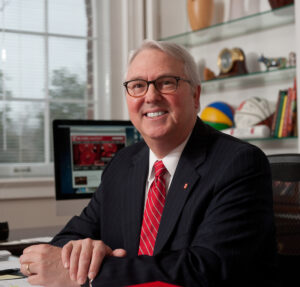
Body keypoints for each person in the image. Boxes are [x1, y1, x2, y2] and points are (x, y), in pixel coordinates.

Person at [19, 40, 277, 287]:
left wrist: (92, 275)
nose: (151, 96)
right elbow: (66, 239)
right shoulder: (123, 163)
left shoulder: (239, 164)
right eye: (138, 85)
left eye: (167, 83)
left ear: (196, 96)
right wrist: (82, 252)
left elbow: (204, 269)